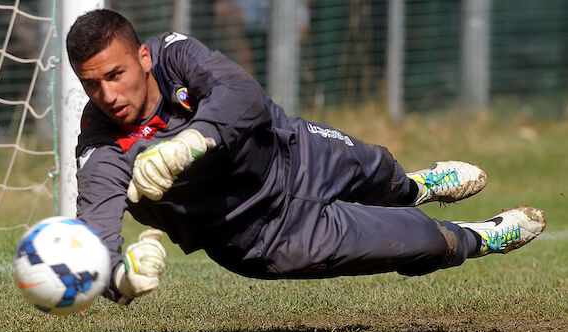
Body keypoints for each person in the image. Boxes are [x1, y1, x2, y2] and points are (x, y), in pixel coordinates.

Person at [66, 9, 546, 305]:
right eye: (92, 84)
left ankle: (420, 187)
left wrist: (188, 144)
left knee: (382, 170)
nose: (107, 94)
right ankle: (481, 237)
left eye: (116, 74)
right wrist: (122, 282)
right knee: (420, 240)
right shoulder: (102, 149)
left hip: (292, 151)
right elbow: (95, 236)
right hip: (266, 235)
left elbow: (243, 95)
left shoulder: (173, 53)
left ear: (143, 59)